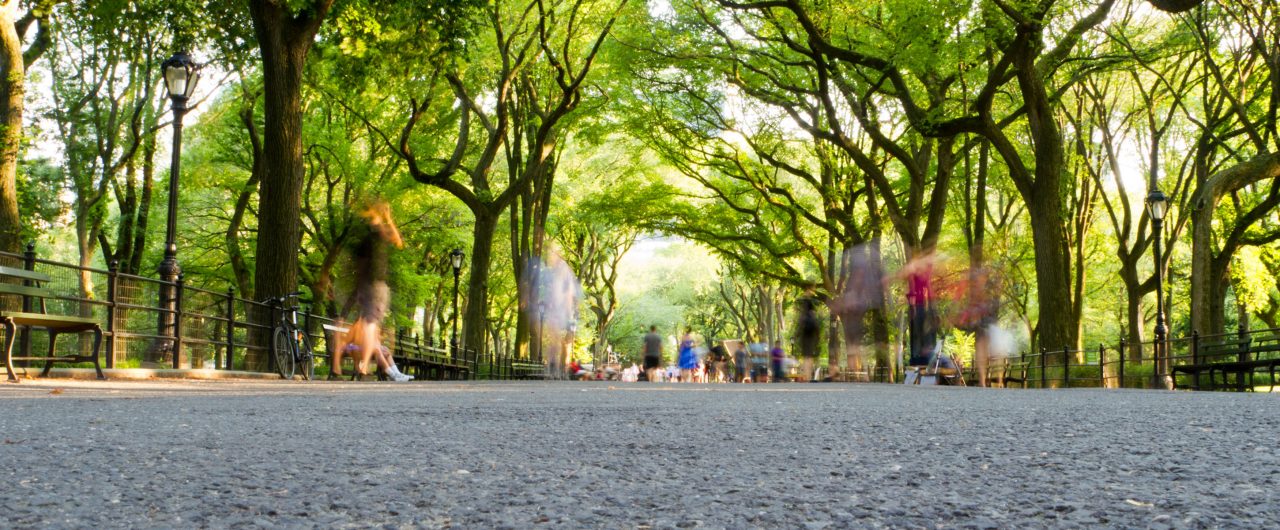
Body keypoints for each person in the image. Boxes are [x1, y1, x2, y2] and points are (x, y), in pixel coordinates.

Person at [332, 199, 410, 381]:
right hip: (372, 285)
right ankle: (365, 367)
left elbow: (396, 241)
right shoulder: (371, 234)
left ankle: (369, 368)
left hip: (372, 286)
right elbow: (397, 241)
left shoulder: (370, 235)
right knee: (370, 325)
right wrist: (388, 217)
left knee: (371, 326)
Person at [796, 288, 821, 382]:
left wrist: (796, 335)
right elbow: (817, 325)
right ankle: (809, 376)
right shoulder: (812, 314)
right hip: (812, 337)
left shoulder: (804, 314)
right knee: (809, 357)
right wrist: (818, 337)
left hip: (805, 337)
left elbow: (800, 325)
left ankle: (807, 376)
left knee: (806, 357)